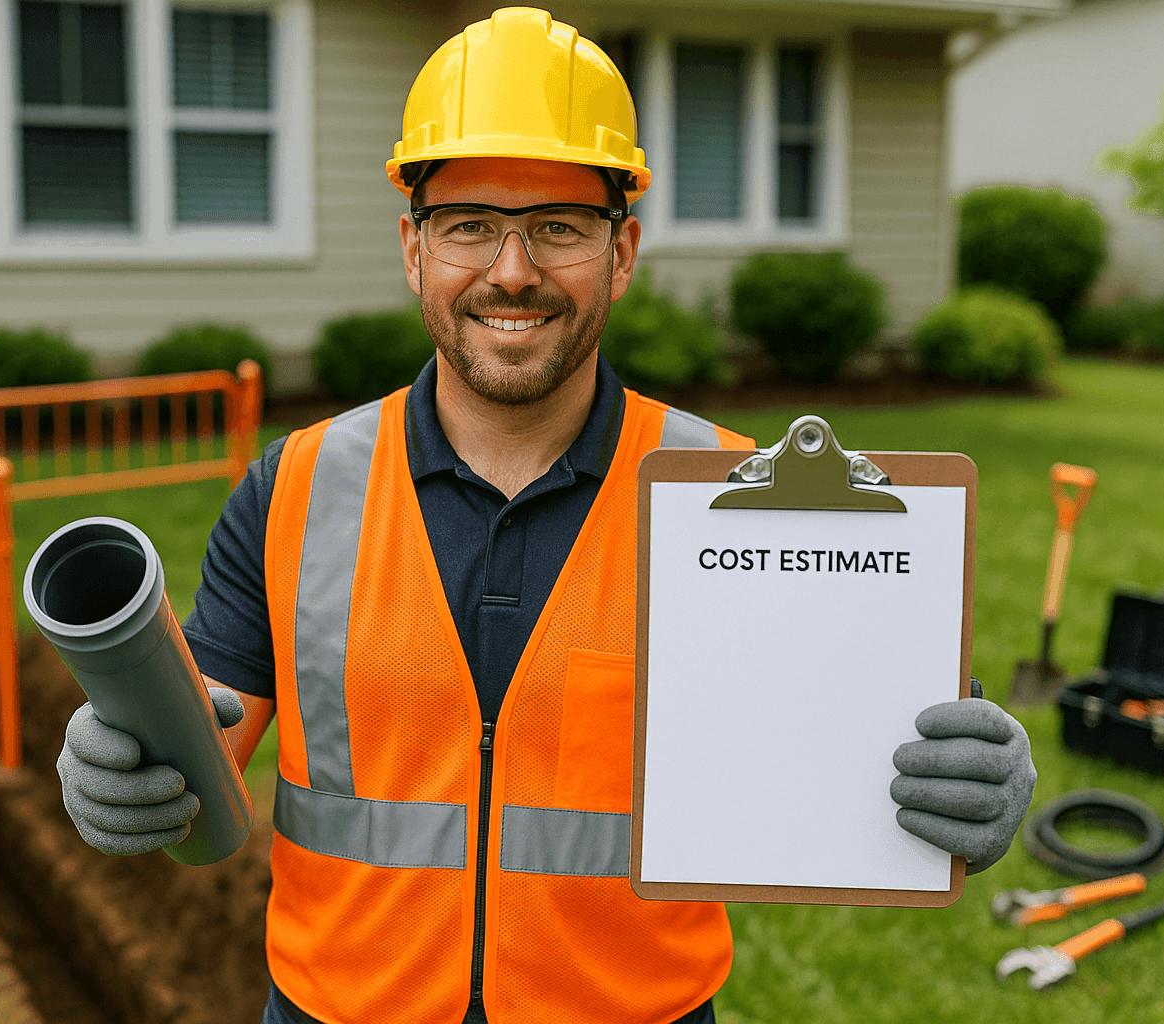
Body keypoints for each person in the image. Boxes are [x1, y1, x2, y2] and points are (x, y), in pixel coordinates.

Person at [57, 8, 1036, 1023]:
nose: (512, 270)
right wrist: (122, 763)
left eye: (558, 227)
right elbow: (199, 754)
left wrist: (980, 774)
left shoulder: (736, 498)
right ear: (412, 248)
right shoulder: (294, 489)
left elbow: (903, 723)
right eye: (469, 224)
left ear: (622, 253)